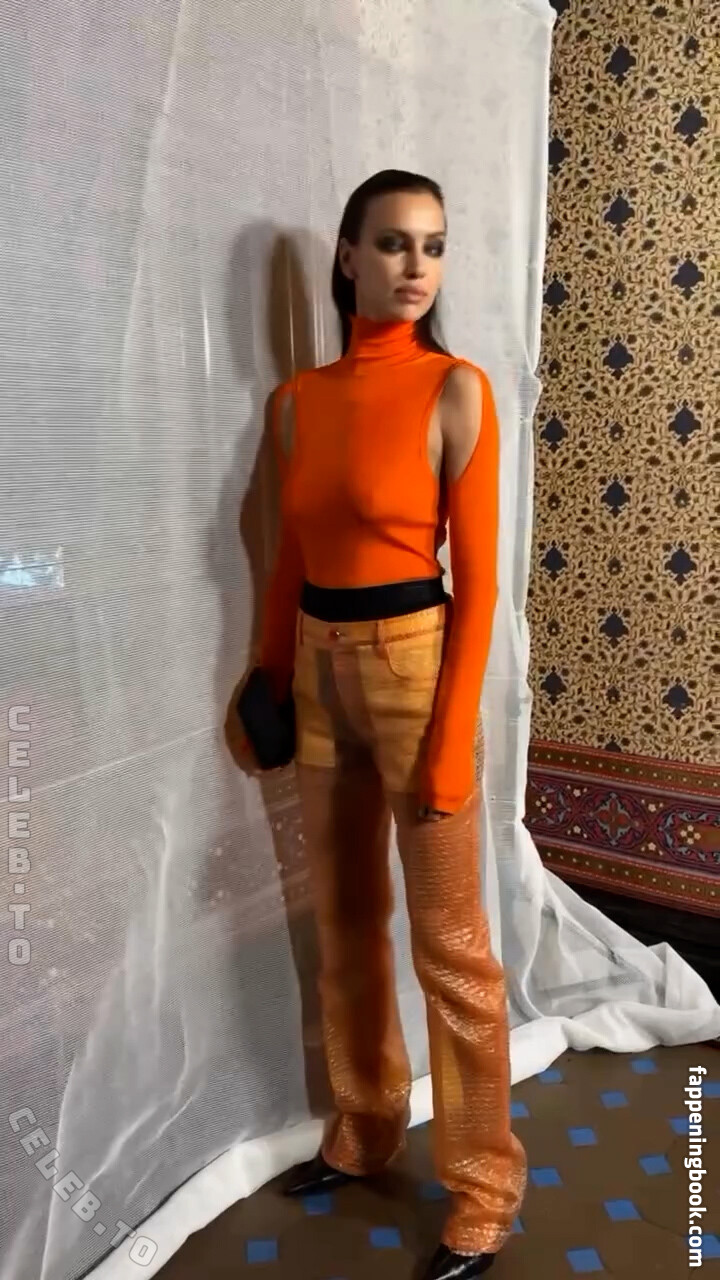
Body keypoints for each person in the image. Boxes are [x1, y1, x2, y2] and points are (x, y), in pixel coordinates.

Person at [253, 170, 526, 1279]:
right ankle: (364, 1126)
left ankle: (485, 1189)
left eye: (435, 246)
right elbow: (289, 555)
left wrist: (454, 733)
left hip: (417, 668)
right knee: (348, 923)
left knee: (452, 947)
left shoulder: (455, 389)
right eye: (396, 243)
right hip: (320, 670)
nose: (418, 267)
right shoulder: (297, 402)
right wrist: (268, 672)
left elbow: (482, 583)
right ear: (349, 255)